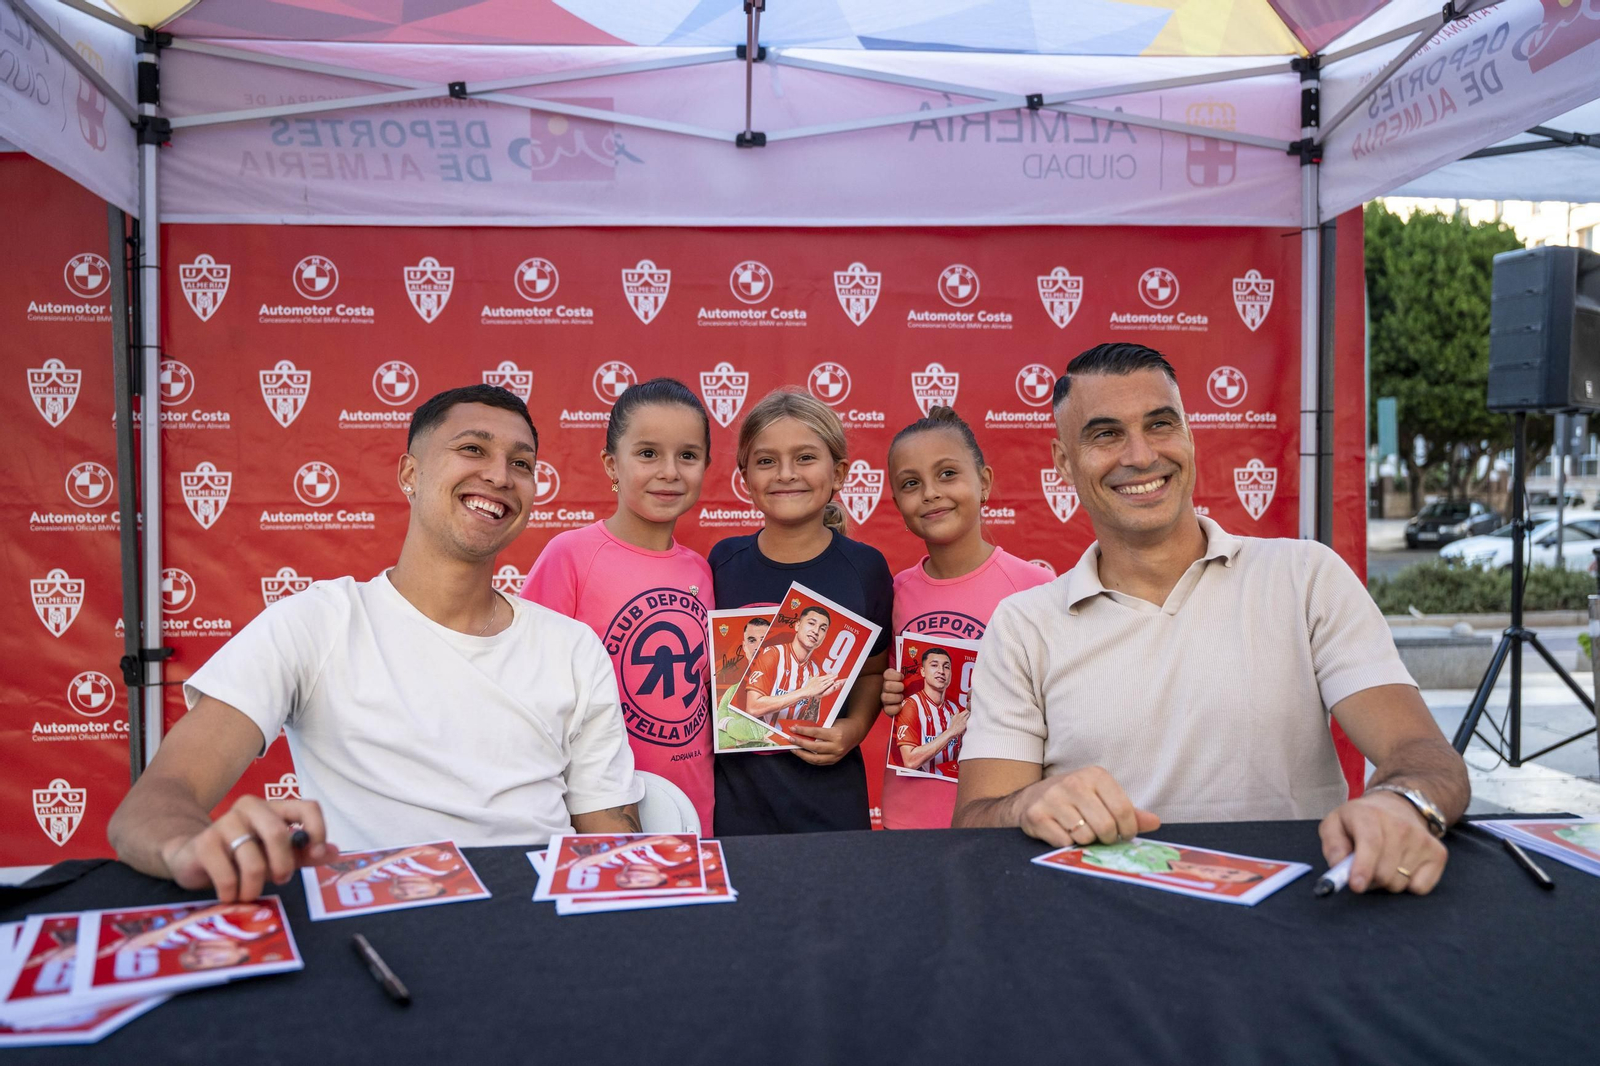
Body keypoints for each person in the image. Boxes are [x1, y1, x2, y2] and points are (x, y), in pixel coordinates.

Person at [953, 343, 1471, 896]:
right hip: (1099, 928)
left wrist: (1402, 805)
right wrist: (1027, 804)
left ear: (1190, 435)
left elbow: (1423, 754)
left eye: (1161, 424)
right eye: (1106, 434)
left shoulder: (1305, 577)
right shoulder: (1023, 625)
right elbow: (976, 820)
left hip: (1297, 917)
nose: (1141, 455)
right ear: (1062, 461)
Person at [107, 385, 644, 904]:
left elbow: (613, 844)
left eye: (521, 463)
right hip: (373, 938)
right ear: (410, 473)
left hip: (536, 933)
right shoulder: (317, 624)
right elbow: (154, 803)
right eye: (473, 449)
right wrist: (188, 848)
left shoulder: (573, 648)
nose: (500, 476)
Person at [521, 378, 716, 831]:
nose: (670, 471)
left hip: (694, 810)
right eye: (648, 453)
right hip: (596, 812)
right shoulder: (570, 555)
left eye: (687, 455)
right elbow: (527, 683)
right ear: (612, 463)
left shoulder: (702, 572)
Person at [710, 389, 893, 835]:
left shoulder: (864, 568)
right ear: (745, 477)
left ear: (840, 473)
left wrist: (853, 729)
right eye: (767, 460)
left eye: (805, 457)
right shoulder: (721, 563)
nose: (786, 474)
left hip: (829, 804)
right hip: (736, 805)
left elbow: (871, 673)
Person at [877, 406, 1053, 828]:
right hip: (908, 814)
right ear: (898, 502)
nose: (931, 493)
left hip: (1003, 816)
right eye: (911, 484)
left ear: (985, 482)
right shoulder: (895, 591)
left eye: (947, 474)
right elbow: (896, 695)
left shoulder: (1035, 586)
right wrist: (889, 693)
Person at [735, 605, 843, 727]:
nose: (816, 631)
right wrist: (805, 692)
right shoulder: (773, 653)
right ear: (797, 625)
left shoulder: (814, 670)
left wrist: (816, 698)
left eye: (823, 629)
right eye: (811, 623)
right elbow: (753, 708)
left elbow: (808, 723)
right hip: (763, 739)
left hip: (791, 742)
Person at [893, 647, 967, 778]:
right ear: (923, 671)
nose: (941, 671)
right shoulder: (912, 704)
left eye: (946, 667)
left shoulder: (955, 710)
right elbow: (910, 761)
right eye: (934, 665)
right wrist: (952, 732)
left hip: (950, 790)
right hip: (920, 788)